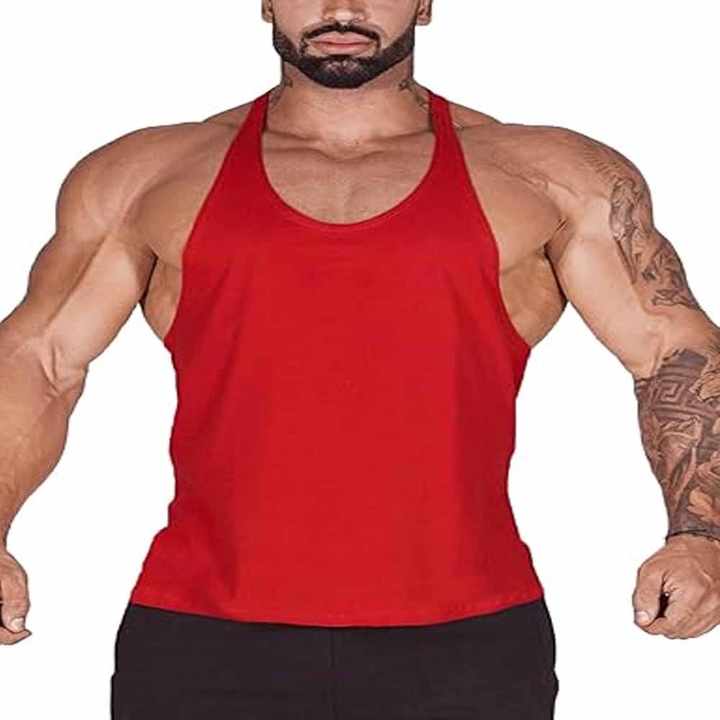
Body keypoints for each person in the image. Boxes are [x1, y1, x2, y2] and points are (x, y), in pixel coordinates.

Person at [1, 1, 719, 718]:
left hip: (467, 641)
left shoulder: (552, 175)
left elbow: (671, 350)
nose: (341, 7)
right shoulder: (147, 175)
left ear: (425, 3)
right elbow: (42, 359)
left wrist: (702, 535)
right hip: (201, 631)